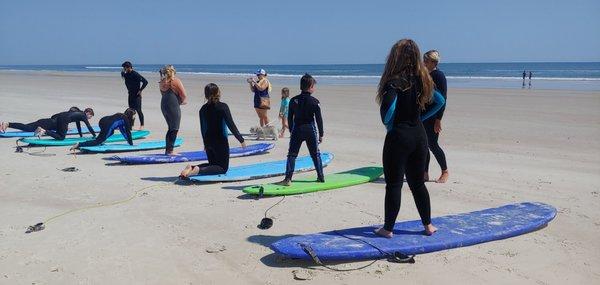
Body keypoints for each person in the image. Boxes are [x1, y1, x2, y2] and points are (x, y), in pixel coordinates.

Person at [374, 39, 444, 238]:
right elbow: (440, 101)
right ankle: (428, 225)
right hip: (419, 136)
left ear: (395, 57)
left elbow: (387, 112)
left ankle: (388, 229)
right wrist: (420, 118)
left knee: (394, 185)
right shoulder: (424, 79)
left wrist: (391, 125)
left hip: (399, 137)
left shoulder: (393, 81)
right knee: (418, 184)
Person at [179, 83, 246, 178]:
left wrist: (205, 144)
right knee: (222, 168)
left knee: (213, 165)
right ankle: (198, 170)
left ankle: (192, 167)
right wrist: (241, 140)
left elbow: (203, 128)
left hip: (208, 141)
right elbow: (231, 125)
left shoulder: (202, 109)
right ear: (218, 93)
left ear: (206, 95)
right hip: (220, 141)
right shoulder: (223, 107)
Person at [277, 74, 324, 186]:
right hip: (310, 130)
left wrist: (292, 130)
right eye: (314, 86)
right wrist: (321, 134)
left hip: (297, 129)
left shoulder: (293, 100)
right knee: (315, 154)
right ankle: (321, 177)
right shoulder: (315, 102)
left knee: (292, 155)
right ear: (310, 86)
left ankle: (288, 179)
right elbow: (319, 120)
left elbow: (289, 117)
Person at [423, 50, 449, 183]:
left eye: (426, 61)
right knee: (423, 145)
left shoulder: (439, 76)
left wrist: (439, 119)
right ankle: (425, 173)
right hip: (423, 115)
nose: (423, 63)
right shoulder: (425, 75)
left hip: (434, 116)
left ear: (433, 62)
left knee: (432, 144)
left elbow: (443, 99)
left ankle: (445, 171)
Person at [1, 107, 96, 140]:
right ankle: (43, 131)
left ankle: (8, 124)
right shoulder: (82, 115)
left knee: (27, 127)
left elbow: (78, 125)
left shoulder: (76, 113)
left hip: (47, 120)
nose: (90, 118)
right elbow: (89, 126)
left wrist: (80, 135)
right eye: (90, 116)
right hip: (49, 124)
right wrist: (95, 136)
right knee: (61, 137)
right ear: (88, 113)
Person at [70, 108, 136, 150]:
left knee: (111, 132)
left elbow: (122, 130)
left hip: (102, 121)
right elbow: (127, 133)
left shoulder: (120, 115)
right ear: (130, 115)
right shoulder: (126, 120)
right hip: (107, 125)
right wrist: (131, 143)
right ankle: (79, 144)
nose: (135, 116)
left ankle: (101, 140)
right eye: (134, 114)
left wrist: (129, 141)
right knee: (97, 141)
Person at [159, 65, 187, 155]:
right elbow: (183, 95)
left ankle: (168, 150)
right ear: (173, 71)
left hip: (164, 105)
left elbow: (163, 94)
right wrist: (181, 101)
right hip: (173, 105)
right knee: (174, 128)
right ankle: (170, 151)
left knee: (170, 128)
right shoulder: (176, 81)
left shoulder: (162, 82)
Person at [121, 61, 148, 130]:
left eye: (125, 68)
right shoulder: (126, 74)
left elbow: (145, 82)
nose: (124, 69)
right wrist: (123, 72)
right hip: (130, 94)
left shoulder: (135, 74)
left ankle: (142, 125)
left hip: (136, 96)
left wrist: (140, 90)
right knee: (131, 111)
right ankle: (130, 126)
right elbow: (123, 75)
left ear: (129, 67)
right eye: (123, 68)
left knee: (139, 110)